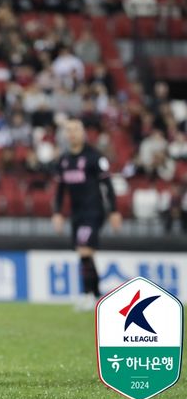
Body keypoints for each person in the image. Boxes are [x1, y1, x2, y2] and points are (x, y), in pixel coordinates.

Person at [51, 118, 122, 311]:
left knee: (84, 249)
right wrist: (57, 213)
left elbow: (108, 185)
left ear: (83, 133)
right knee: (84, 253)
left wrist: (114, 210)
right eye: (69, 130)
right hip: (76, 213)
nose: (72, 133)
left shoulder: (94, 157)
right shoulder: (64, 160)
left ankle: (87, 294)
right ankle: (96, 295)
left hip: (94, 211)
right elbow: (60, 190)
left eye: (76, 129)